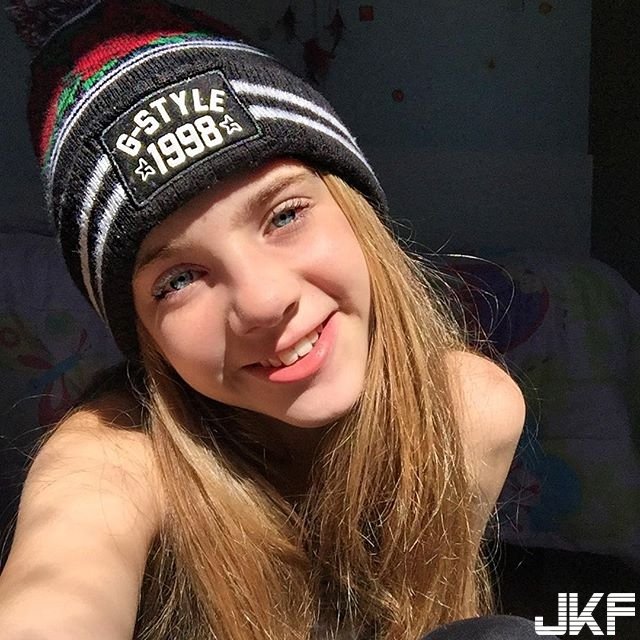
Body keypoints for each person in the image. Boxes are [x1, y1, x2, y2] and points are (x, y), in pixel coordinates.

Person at [0, 1, 538, 638]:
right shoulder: (113, 460)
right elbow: (60, 584)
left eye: (284, 215)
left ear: (357, 213)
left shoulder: (470, 413)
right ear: (144, 335)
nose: (262, 302)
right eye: (178, 280)